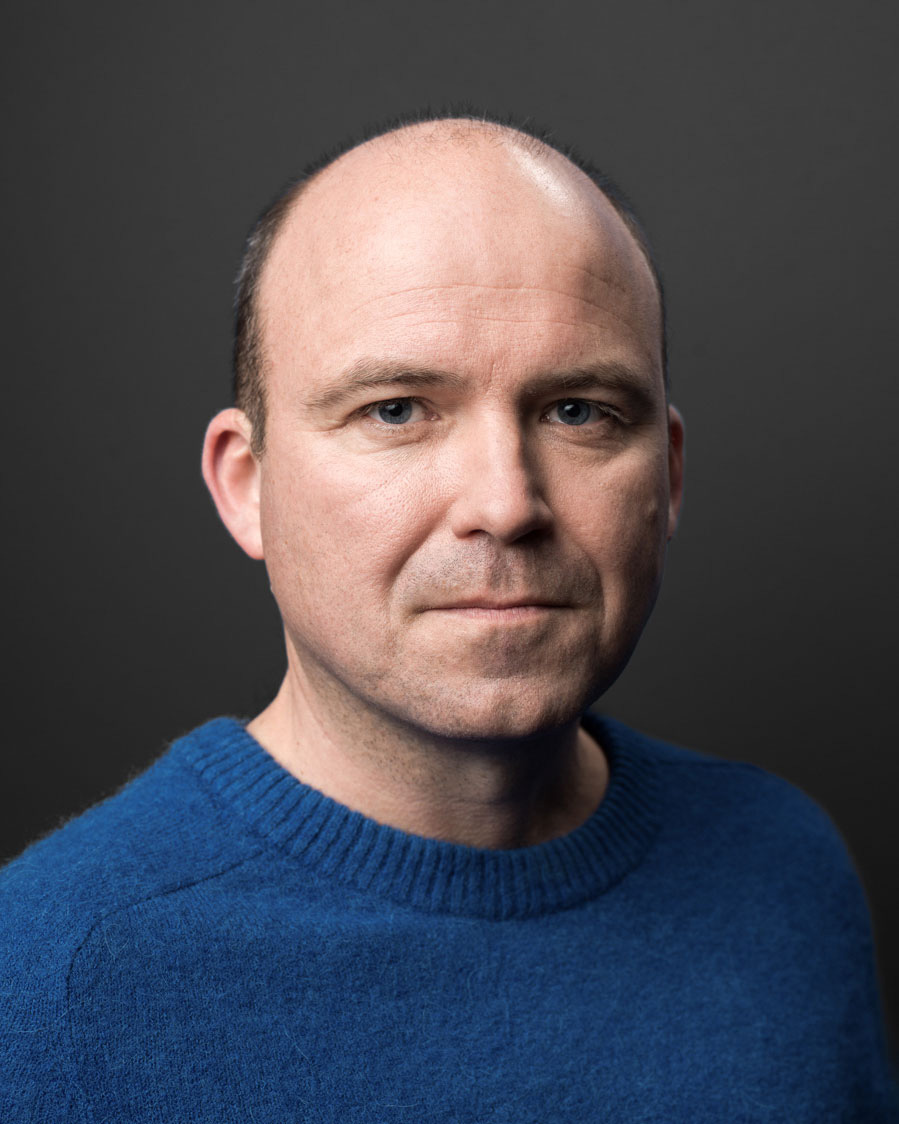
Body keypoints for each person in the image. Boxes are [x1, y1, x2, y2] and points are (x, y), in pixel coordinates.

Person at [1, 111, 896, 1122]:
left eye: (577, 411)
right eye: (395, 409)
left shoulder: (782, 867)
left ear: (669, 475)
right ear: (247, 486)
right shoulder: (47, 984)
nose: (505, 504)